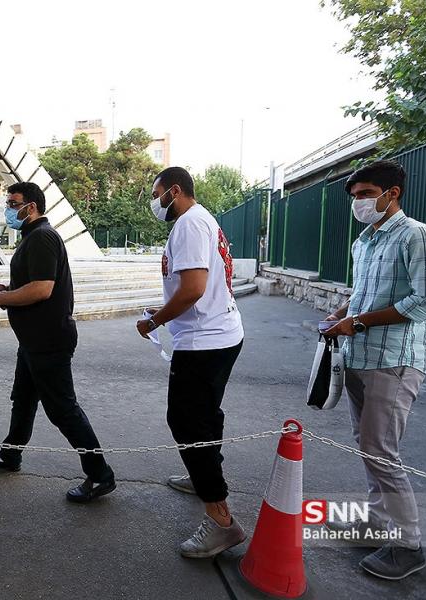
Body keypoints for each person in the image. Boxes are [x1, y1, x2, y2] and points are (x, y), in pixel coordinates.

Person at [323, 160, 426, 580]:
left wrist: (358, 322)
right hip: (359, 357)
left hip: (394, 362)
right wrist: (342, 312)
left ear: (392, 193)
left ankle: (408, 546)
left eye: (365, 194)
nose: (358, 202)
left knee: (381, 451)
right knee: (368, 446)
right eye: (354, 196)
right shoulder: (364, 242)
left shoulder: (417, 236)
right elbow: (365, 291)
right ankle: (377, 523)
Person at [0, 181, 116, 503]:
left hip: (48, 340)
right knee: (23, 400)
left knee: (63, 409)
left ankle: (100, 474)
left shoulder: (41, 236)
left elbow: (42, 289)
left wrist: (1, 299)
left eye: (13, 204)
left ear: (31, 207)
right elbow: (33, 282)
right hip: (33, 340)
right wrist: (7, 288)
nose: (8, 209)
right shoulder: (33, 236)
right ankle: (10, 455)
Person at [136, 166, 246, 558]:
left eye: (156, 194)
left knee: (186, 421)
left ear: (175, 191)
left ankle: (220, 520)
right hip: (217, 333)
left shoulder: (189, 224)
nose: (155, 202)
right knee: (203, 417)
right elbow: (197, 287)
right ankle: (202, 475)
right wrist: (166, 310)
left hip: (205, 343)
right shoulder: (200, 220)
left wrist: (155, 321)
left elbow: (194, 289)